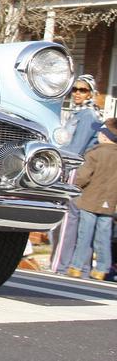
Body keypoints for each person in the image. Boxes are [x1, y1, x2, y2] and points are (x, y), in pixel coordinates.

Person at [51, 74, 105, 273]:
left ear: (91, 93)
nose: (77, 94)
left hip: (74, 169)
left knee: (67, 217)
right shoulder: (78, 114)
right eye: (74, 89)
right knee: (69, 216)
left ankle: (59, 265)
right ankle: (66, 264)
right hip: (73, 168)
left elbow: (76, 149)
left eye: (82, 90)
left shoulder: (87, 115)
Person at [66, 118, 117, 280]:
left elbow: (83, 177)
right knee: (103, 236)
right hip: (109, 203)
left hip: (90, 200)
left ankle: (76, 266)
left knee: (85, 235)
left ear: (104, 136)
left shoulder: (94, 153)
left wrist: (75, 186)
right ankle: (102, 268)